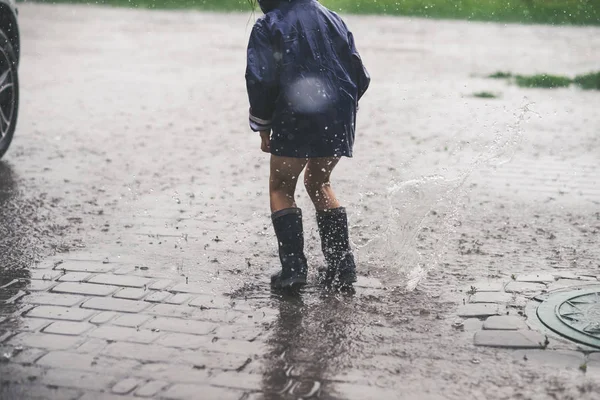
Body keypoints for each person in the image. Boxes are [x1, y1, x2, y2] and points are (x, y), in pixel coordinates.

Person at [246, 0, 370, 290]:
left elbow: (260, 79)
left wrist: (263, 124)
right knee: (319, 181)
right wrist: (341, 111)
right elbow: (360, 74)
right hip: (337, 113)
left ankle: (293, 270)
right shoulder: (333, 18)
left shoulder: (269, 24)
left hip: (294, 112)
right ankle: (342, 267)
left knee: (280, 186)